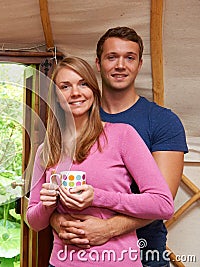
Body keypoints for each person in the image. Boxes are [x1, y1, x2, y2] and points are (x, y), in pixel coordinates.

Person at [50, 27, 188, 267]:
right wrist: (56, 221)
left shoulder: (163, 122)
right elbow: (48, 187)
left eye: (130, 57)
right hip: (75, 254)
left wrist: (108, 228)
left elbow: (162, 201)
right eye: (112, 57)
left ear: (140, 63)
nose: (120, 65)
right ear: (98, 63)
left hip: (145, 253)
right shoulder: (75, 113)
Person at [26, 56, 174, 266]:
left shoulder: (122, 136)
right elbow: (34, 221)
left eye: (83, 84)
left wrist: (98, 197)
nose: (75, 93)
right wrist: (47, 205)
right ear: (56, 97)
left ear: (94, 91)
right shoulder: (47, 150)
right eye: (65, 86)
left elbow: (163, 204)